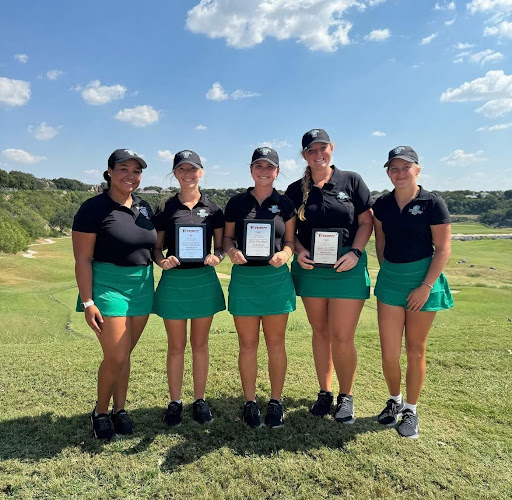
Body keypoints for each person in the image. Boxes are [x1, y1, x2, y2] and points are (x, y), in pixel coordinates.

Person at [285, 129, 373, 424]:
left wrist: (356, 253)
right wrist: (297, 251)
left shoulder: (351, 180)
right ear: (304, 155)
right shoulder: (295, 189)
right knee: (320, 332)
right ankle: (325, 391)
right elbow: (290, 232)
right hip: (311, 268)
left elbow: (365, 222)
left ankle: (345, 396)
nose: (318, 153)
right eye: (312, 150)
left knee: (342, 336)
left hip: (346, 265)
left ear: (331, 149)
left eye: (323, 148)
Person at [72, 149, 156, 440]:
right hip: (108, 285)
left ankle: (121, 410)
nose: (130, 176)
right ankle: (101, 412)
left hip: (142, 285)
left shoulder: (145, 207)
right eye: (123, 169)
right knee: (117, 354)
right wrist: (88, 302)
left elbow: (151, 246)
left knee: (123, 354)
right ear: (109, 171)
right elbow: (82, 258)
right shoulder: (93, 208)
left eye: (136, 171)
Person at [373, 146, 453, 439]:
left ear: (417, 170)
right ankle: (394, 401)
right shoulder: (381, 204)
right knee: (389, 353)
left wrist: (425, 286)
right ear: (388, 173)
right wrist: (388, 271)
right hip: (390, 279)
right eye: (393, 168)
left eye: (405, 167)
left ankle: (411, 409)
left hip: (423, 280)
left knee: (415, 349)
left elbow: (443, 249)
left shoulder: (433, 203)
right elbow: (380, 242)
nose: (399, 173)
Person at [223, 147, 296, 428]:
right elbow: (228, 238)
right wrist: (231, 252)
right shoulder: (237, 203)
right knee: (248, 345)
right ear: (251, 169)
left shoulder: (286, 204)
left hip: (275, 280)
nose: (264, 171)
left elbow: (290, 241)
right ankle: (250, 402)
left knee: (276, 344)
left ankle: (276, 402)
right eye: (259, 166)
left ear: (277, 171)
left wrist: (286, 255)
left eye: (270, 167)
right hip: (245, 280)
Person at [152, 150, 225, 427]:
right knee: (176, 346)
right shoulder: (166, 208)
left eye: (193, 169)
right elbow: (156, 248)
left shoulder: (214, 208)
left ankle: (199, 399)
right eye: (182, 169)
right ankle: (175, 402)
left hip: (203, 281)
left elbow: (220, 247)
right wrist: (162, 261)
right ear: (175, 173)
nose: (188, 174)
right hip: (175, 282)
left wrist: (217, 257)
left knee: (200, 344)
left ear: (201, 172)